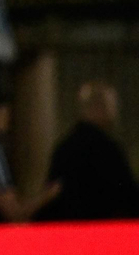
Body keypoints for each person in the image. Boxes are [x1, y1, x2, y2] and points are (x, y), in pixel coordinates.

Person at [39, 82, 139, 221]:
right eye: (112, 106)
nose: (115, 112)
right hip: (103, 232)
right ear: (99, 107)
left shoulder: (64, 147)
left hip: (68, 233)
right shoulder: (108, 149)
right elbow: (129, 196)